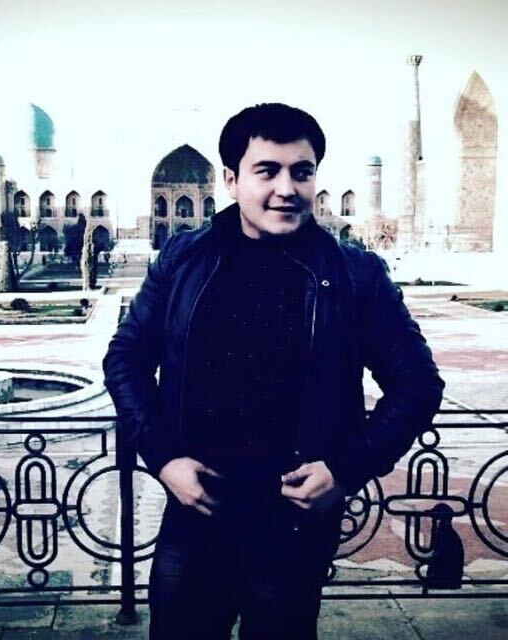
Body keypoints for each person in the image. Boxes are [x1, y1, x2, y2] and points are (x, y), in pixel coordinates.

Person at [103, 103, 444, 640]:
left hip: (294, 520)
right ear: (231, 179)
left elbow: (418, 384)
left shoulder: (354, 276)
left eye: (301, 172)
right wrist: (165, 459)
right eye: (267, 171)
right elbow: (125, 358)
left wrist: (346, 469)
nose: (287, 189)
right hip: (198, 507)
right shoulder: (183, 260)